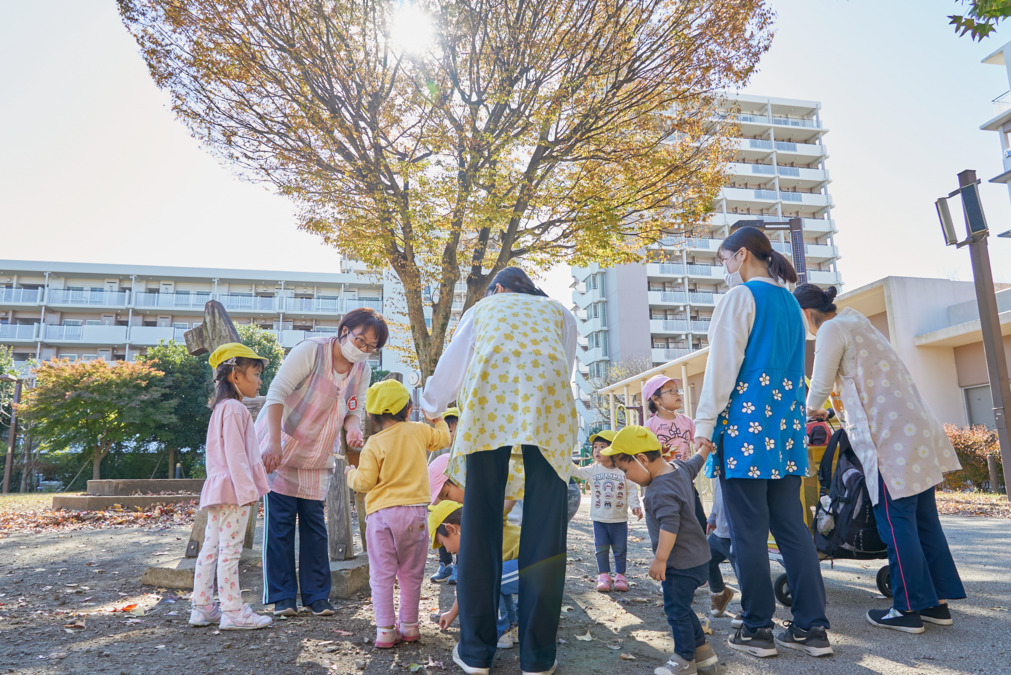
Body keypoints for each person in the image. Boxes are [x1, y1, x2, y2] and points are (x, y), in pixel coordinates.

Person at [421, 267, 578, 675]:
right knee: (545, 535)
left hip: (488, 416)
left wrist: (432, 407)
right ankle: (538, 658)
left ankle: (475, 653)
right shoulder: (560, 312)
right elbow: (566, 365)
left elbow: (451, 369)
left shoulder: (484, 308)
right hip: (549, 417)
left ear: (500, 289)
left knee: (480, 529)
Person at [794, 283, 965, 634]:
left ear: (808, 314)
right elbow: (863, 383)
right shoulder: (857, 322)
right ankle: (936, 603)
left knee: (895, 520)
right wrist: (830, 412)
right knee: (922, 520)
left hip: (890, 442)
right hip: (915, 432)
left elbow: (818, 389)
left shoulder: (830, 330)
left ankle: (907, 608)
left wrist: (808, 411)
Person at [693, 226, 832, 658]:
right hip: (785, 430)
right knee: (793, 531)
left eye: (725, 258)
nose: (725, 267)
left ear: (742, 255)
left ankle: (757, 629)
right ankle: (812, 628)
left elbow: (722, 367)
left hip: (745, 432)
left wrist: (704, 423)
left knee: (748, 534)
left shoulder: (740, 297)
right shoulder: (792, 305)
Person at [256, 308, 388, 618]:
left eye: (372, 346)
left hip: (317, 452)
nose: (364, 348)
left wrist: (354, 428)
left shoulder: (361, 369)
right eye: (360, 340)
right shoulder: (311, 351)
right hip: (283, 444)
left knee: (315, 525)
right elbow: (276, 393)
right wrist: (273, 442)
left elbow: (355, 408)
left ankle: (317, 596)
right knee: (281, 524)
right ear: (344, 330)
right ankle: (283, 597)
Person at [602, 425, 717, 675]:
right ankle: (704, 654)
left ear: (641, 460)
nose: (626, 477)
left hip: (679, 563)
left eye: (625, 469)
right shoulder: (679, 468)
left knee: (675, 610)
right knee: (682, 607)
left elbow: (670, 523)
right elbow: (696, 462)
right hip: (698, 558)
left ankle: (684, 659)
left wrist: (660, 559)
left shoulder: (659, 489)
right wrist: (704, 449)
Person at [345, 379, 450, 648]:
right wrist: (436, 418)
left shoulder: (373, 444)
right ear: (409, 409)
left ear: (371, 415)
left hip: (381, 517)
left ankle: (385, 631)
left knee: (381, 575)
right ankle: (411, 627)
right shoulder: (418, 430)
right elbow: (444, 437)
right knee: (411, 574)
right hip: (415, 514)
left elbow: (365, 483)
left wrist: (350, 474)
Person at [190, 343, 272, 631]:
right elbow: (237, 455)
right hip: (234, 490)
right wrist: (248, 492)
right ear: (235, 376)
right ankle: (233, 610)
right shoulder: (236, 409)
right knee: (230, 551)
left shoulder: (220, 409)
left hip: (218, 488)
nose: (260, 380)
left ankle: (202, 607)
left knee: (210, 548)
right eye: (256, 373)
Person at [429, 500, 523, 650]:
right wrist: (452, 613)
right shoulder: (472, 551)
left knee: (487, 578)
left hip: (535, 565)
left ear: (451, 529)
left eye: (443, 543)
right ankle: (511, 628)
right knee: (489, 578)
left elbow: (506, 505)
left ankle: (501, 631)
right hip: (526, 568)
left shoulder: (484, 525)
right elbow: (467, 586)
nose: (446, 550)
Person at [569, 430, 642, 593]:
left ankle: (620, 576)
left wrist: (635, 506)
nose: (597, 450)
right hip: (599, 519)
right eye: (595, 447)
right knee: (600, 548)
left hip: (619, 520)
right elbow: (576, 472)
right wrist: (562, 457)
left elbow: (631, 491)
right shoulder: (593, 470)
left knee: (620, 548)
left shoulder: (623, 470)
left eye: (602, 446)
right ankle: (603, 575)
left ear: (614, 450)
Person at [643, 374, 709, 533]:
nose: (677, 394)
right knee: (670, 525)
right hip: (662, 484)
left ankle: (704, 556)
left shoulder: (687, 422)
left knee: (701, 525)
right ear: (657, 400)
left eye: (677, 390)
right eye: (671, 391)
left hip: (685, 479)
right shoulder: (650, 425)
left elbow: (699, 444)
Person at [430, 408, 461, 584]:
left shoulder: (464, 451)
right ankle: (445, 564)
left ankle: (459, 565)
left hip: (456, 502)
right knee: (440, 526)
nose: (450, 434)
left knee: (458, 528)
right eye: (447, 430)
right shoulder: (439, 449)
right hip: (441, 499)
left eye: (453, 429)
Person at [706, 479, 736, 618]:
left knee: (745, 574)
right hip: (720, 532)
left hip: (738, 534)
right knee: (705, 558)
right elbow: (719, 495)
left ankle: (750, 610)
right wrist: (713, 517)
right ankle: (720, 593)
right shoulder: (718, 465)